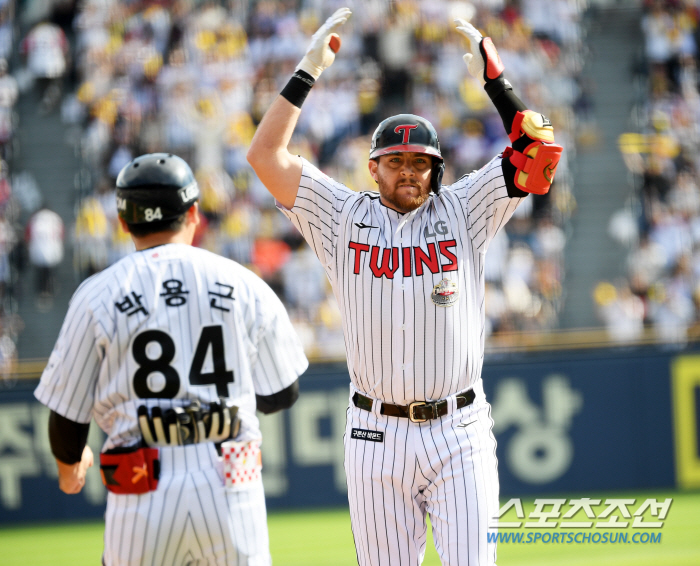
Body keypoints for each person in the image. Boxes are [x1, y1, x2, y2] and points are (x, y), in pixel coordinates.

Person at [247, 9, 561, 566]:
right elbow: (264, 156)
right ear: (373, 168)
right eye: (396, 161)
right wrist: (305, 72)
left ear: (437, 168)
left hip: (458, 430)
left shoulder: (464, 210)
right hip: (374, 433)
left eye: (422, 161)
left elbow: (537, 158)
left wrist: (497, 82)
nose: (410, 171)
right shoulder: (342, 217)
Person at [34, 153, 309, 565]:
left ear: (124, 222)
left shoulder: (97, 294)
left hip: (140, 486)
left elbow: (66, 413)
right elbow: (281, 394)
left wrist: (69, 465)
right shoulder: (243, 282)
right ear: (194, 213)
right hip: (230, 480)